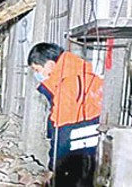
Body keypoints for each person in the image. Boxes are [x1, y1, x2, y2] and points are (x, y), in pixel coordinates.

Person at [28, 43, 103, 186]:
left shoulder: (67, 85)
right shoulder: (80, 74)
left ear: (50, 65)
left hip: (76, 151)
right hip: (89, 149)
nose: (38, 75)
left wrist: (53, 166)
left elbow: (62, 132)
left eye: (38, 70)